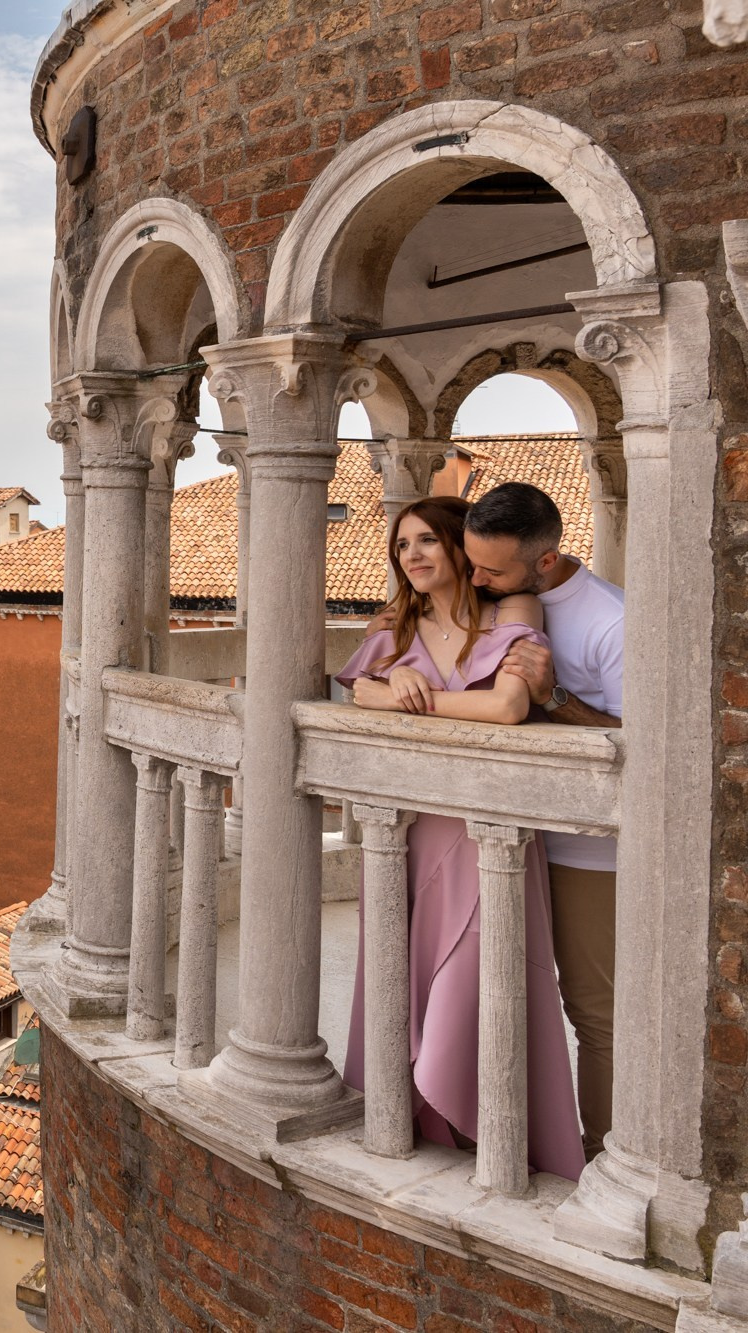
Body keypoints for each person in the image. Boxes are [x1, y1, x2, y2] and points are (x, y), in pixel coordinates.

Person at [337, 495, 584, 1179]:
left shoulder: (514, 611)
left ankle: (495, 1141)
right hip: (413, 830)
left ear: (458, 547)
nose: (411, 555)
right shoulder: (396, 626)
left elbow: (508, 706)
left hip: (488, 833)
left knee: (483, 976)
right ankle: (419, 1129)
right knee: (404, 973)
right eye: (402, 544)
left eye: (426, 540)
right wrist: (393, 679)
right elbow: (359, 692)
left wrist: (411, 699)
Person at [464, 480, 623, 1161]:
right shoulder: (487, 601)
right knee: (498, 999)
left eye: (493, 571)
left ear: (547, 560)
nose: (477, 579)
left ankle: (605, 1159)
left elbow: (642, 745)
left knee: (594, 1011)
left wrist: (554, 695)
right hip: (500, 839)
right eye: (472, 563)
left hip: (586, 855)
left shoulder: (612, 622)